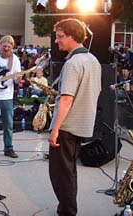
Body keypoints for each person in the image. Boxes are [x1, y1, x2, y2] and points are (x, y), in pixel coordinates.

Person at [48, 18, 101, 216]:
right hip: (83, 125)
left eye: (60, 36)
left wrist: (54, 129)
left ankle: (67, 212)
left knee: (61, 175)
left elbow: (67, 99)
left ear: (72, 37)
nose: (57, 41)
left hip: (67, 127)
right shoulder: (93, 60)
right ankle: (67, 209)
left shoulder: (73, 63)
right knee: (69, 172)